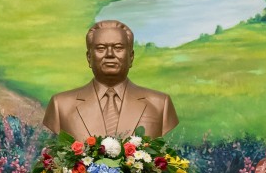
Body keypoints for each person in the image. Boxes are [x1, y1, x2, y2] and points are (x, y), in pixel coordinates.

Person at [43, 20, 178, 139]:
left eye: (118, 48)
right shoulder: (61, 106)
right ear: (89, 57)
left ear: (131, 57)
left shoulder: (160, 105)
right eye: (101, 48)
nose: (109, 54)